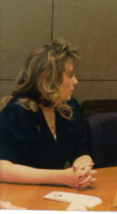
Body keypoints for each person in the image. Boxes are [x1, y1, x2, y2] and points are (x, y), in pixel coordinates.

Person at [0, 38, 96, 190]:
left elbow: (80, 149)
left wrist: (82, 169)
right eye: (70, 75)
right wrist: (61, 177)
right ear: (50, 81)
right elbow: (3, 170)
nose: (76, 81)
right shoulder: (17, 112)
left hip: (54, 191)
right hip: (20, 194)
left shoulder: (69, 107)